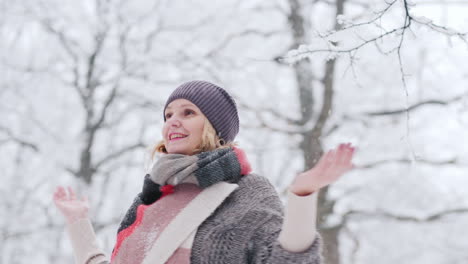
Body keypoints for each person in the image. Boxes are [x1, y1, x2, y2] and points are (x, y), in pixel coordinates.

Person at [53, 80, 355, 264]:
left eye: (188, 112)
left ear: (215, 128)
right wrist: (78, 223)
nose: (172, 121)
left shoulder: (245, 192)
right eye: (168, 114)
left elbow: (287, 261)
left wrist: (302, 196)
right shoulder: (150, 200)